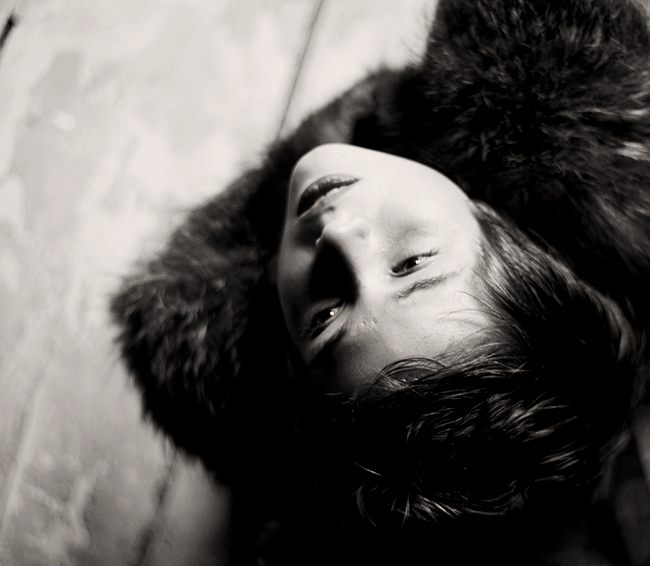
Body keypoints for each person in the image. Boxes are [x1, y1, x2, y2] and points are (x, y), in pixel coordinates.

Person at [111, 0, 650, 563]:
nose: (338, 238)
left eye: (324, 318)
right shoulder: (586, 128)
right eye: (412, 265)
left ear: (289, 358)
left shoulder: (220, 325)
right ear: (495, 220)